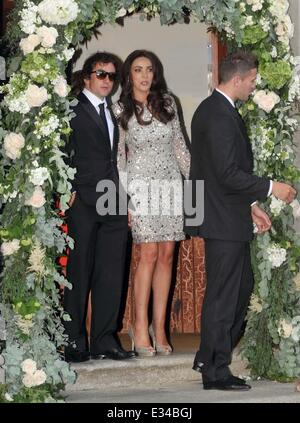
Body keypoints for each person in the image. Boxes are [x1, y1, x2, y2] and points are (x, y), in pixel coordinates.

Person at [186, 50, 296, 390]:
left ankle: (209, 356)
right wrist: (271, 188)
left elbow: (220, 172)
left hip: (226, 212)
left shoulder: (216, 109)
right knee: (225, 295)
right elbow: (227, 173)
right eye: (251, 81)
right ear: (237, 79)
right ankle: (215, 371)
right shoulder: (218, 114)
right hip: (220, 219)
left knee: (239, 288)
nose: (252, 86)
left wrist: (250, 204)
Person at [112, 50, 190, 356]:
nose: (144, 76)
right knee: (147, 254)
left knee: (167, 255)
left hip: (171, 185)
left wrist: (197, 186)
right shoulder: (120, 108)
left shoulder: (168, 102)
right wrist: (126, 198)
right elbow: (119, 157)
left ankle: (160, 328)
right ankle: (138, 325)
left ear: (155, 74)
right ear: (129, 76)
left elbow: (181, 147)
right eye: (137, 70)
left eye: (149, 70)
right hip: (140, 187)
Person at [64, 52, 135, 362]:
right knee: (79, 271)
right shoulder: (71, 110)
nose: (108, 80)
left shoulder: (115, 111)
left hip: (113, 200)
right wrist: (65, 188)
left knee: (110, 273)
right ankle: (74, 341)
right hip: (83, 199)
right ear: (86, 78)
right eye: (101, 74)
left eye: (112, 75)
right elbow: (60, 151)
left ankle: (104, 339)